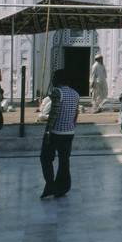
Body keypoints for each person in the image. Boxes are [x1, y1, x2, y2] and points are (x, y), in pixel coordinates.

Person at [41, 69, 79, 199]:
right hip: (69, 132)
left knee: (45, 157)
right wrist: (72, 125)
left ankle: (50, 184)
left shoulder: (57, 92)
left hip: (56, 132)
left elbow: (54, 114)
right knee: (64, 160)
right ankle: (63, 187)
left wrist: (47, 132)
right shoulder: (75, 94)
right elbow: (76, 114)